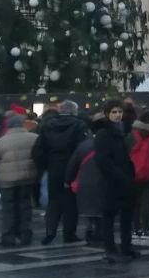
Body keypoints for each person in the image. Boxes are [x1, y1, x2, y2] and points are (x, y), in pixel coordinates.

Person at [36, 100, 87, 244]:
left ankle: (50, 231)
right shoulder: (79, 125)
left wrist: (45, 165)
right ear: (74, 111)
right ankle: (69, 233)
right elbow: (81, 148)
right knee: (70, 202)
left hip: (53, 166)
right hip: (72, 167)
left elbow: (40, 148)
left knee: (53, 200)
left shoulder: (48, 125)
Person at [93, 100, 137, 263]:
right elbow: (103, 161)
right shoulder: (104, 133)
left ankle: (126, 247)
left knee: (126, 216)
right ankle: (110, 248)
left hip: (125, 180)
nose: (117, 115)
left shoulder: (123, 131)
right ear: (107, 114)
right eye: (114, 112)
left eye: (119, 112)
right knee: (109, 216)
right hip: (111, 182)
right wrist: (120, 176)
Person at [0, 117, 40, 247]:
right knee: (25, 206)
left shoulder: (1, 141)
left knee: (8, 208)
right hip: (28, 177)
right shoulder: (34, 137)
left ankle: (8, 237)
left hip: (7, 180)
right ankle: (25, 235)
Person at [66, 114, 107, 246]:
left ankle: (91, 227)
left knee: (90, 208)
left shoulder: (84, 145)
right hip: (104, 181)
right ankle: (98, 231)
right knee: (102, 208)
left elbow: (73, 164)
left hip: (85, 181)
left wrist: (68, 180)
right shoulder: (111, 143)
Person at [129, 108, 149, 242]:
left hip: (133, 173)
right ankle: (146, 229)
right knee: (146, 203)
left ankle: (135, 229)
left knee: (135, 203)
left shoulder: (132, 134)